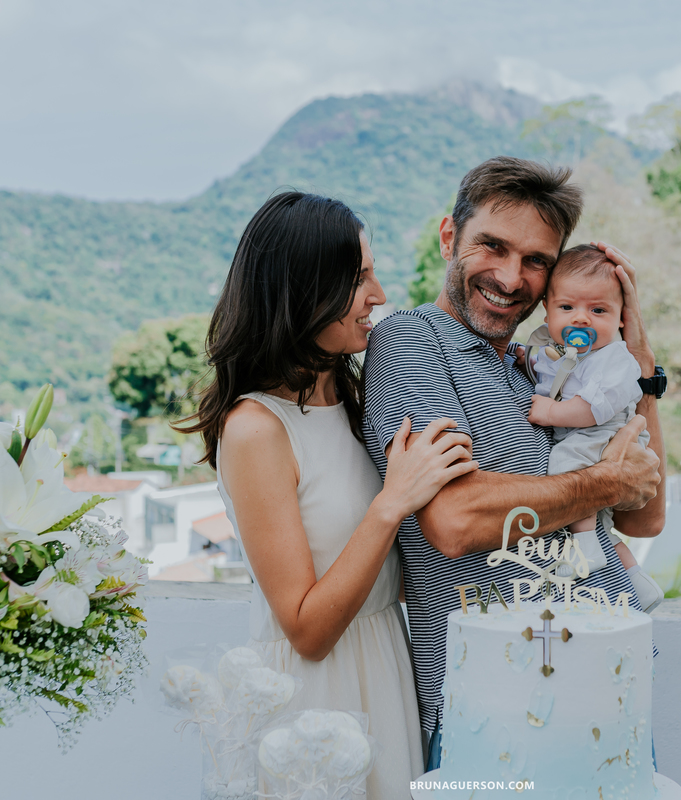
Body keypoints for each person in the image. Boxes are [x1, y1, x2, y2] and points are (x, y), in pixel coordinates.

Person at [361, 157, 667, 770]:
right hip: (495, 705)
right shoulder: (411, 341)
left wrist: (635, 349)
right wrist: (603, 482)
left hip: (613, 687)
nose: (509, 277)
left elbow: (645, 516)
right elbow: (455, 520)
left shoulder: (547, 367)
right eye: (491, 247)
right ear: (450, 238)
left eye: (536, 262)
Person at [177, 192, 477, 798]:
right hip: (317, 700)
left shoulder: (349, 393)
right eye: (359, 278)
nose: (380, 295)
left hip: (389, 667)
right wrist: (393, 502)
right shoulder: (255, 429)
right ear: (302, 292)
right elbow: (306, 629)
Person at [525, 244, 666, 612]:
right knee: (603, 520)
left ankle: (585, 550)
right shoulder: (553, 353)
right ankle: (637, 581)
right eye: (567, 308)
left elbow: (593, 409)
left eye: (598, 310)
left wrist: (552, 413)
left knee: (564, 466)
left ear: (622, 318)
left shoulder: (615, 359)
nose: (582, 319)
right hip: (586, 433)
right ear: (547, 309)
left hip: (600, 434)